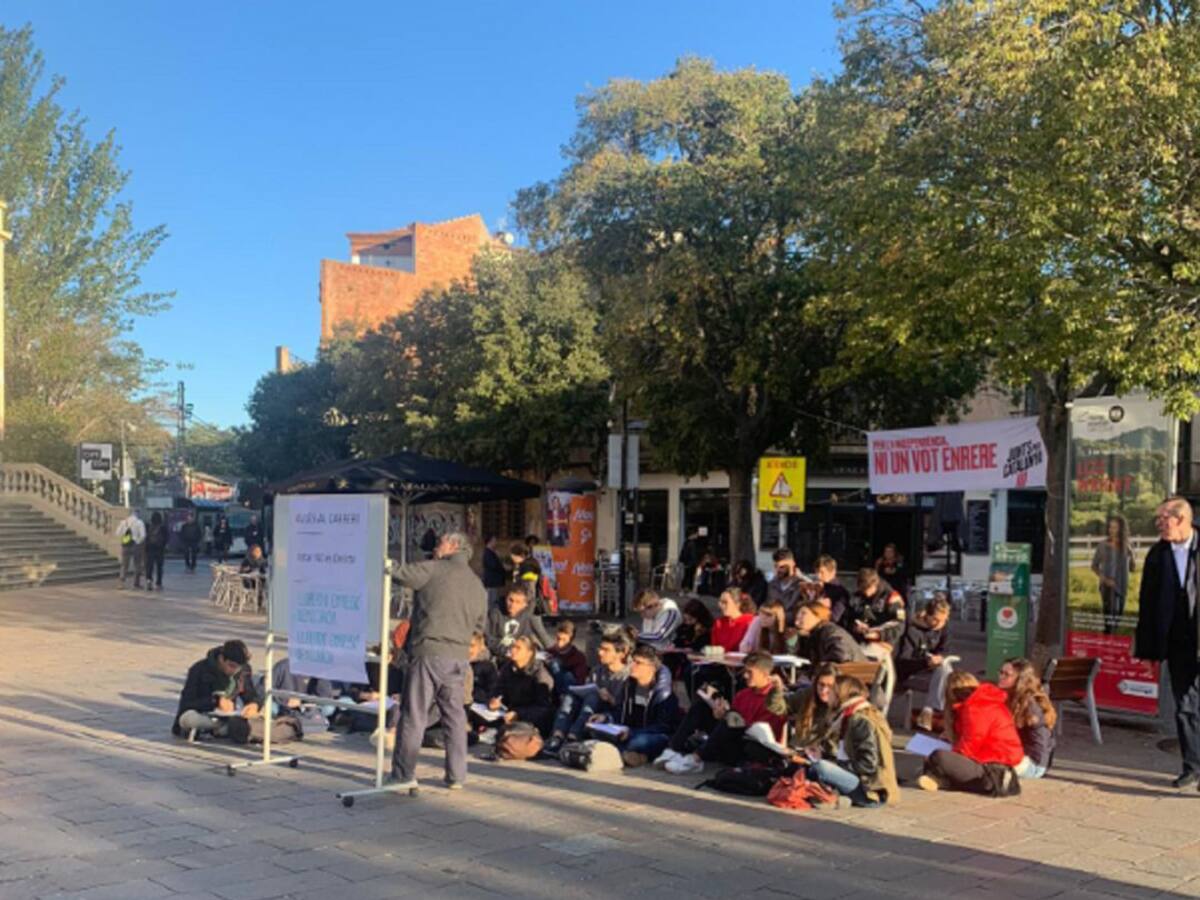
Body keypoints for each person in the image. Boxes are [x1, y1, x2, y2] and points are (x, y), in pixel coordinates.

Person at [389, 531, 487, 791]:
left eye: (441, 542)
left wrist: (383, 560)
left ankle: (403, 773)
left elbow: (400, 573)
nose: (436, 546)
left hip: (429, 652)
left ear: (453, 545)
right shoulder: (477, 585)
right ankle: (456, 776)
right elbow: (479, 626)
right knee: (454, 717)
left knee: (414, 714)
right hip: (458, 659)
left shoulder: (433, 569)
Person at [1136, 497, 1200, 790]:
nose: (1159, 524)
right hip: (1178, 643)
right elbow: (1147, 604)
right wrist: (1148, 650)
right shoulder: (1157, 555)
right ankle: (1192, 767)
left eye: (1164, 518)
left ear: (1182, 519)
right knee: (1185, 705)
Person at [658, 650, 786, 774]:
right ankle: (673, 748)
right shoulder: (743, 694)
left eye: (750, 672)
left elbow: (764, 734)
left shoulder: (775, 699)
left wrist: (729, 719)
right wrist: (721, 715)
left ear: (764, 674)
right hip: (731, 738)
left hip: (750, 748)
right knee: (701, 707)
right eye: (745, 671)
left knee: (732, 721)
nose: (745, 676)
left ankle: (696, 759)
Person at [917, 671, 1023, 795]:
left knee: (939, 756)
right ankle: (938, 778)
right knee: (938, 757)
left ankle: (938, 778)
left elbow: (970, 745)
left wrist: (946, 753)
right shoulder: (980, 703)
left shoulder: (976, 709)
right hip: (992, 764)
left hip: (992, 771)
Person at [806, 675, 900, 807]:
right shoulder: (847, 715)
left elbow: (867, 765)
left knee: (820, 768)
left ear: (840, 694)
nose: (827, 693)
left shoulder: (859, 720)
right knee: (809, 766)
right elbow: (846, 753)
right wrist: (824, 754)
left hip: (870, 790)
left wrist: (836, 765)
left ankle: (838, 797)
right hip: (860, 781)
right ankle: (837, 797)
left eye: (831, 690)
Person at [592, 644, 679, 767]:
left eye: (638, 663)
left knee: (638, 742)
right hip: (630, 731)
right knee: (595, 729)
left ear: (652, 667)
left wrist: (632, 732)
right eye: (632, 661)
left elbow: (663, 726)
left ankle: (622, 754)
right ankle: (632, 756)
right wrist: (606, 717)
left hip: (655, 735)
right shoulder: (629, 685)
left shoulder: (664, 693)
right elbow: (621, 712)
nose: (632, 666)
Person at [545, 631, 631, 754]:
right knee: (571, 697)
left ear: (621, 654)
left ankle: (573, 737)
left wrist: (610, 698)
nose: (600, 653)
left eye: (606, 650)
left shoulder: (627, 676)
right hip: (589, 708)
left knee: (593, 697)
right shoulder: (597, 670)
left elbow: (624, 709)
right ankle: (557, 736)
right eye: (600, 648)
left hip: (608, 715)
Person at [172, 639, 260, 737]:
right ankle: (217, 728)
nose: (234, 671)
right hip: (201, 715)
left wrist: (254, 704)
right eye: (231, 666)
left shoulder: (242, 671)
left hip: (227, 718)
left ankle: (223, 728)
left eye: (238, 667)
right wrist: (216, 701)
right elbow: (186, 703)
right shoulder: (199, 669)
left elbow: (250, 694)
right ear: (221, 659)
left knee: (245, 724)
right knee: (190, 719)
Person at [479, 635, 555, 739]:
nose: (513, 650)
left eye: (518, 648)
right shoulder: (508, 667)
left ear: (529, 653)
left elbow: (544, 709)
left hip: (530, 720)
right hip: (508, 713)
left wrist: (518, 714)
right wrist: (493, 700)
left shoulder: (540, 675)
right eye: (512, 647)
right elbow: (497, 689)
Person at [895, 595, 953, 731]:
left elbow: (945, 649)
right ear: (927, 616)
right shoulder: (911, 630)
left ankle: (929, 711)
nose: (940, 624)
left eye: (944, 620)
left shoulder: (943, 626)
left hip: (933, 672)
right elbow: (903, 663)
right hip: (912, 673)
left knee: (946, 669)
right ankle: (934, 712)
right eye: (936, 620)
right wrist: (926, 663)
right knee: (947, 678)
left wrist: (940, 657)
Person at [767, 662, 841, 761]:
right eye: (821, 684)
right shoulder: (807, 695)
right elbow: (779, 708)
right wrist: (776, 689)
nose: (824, 690)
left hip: (823, 759)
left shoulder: (841, 706)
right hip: (797, 751)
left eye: (830, 686)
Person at [998, 657, 1056, 780]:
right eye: (1001, 672)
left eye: (1007, 674)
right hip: (1025, 758)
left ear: (1020, 679)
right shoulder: (1014, 698)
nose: (1001, 677)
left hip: (1033, 764)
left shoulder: (1028, 704)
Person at [1093, 514, 1136, 635]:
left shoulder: (1127, 545)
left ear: (1121, 529)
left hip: (1122, 585)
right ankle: (1107, 639)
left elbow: (1132, 568)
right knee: (1110, 618)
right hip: (1107, 586)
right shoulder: (1102, 546)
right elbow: (1094, 566)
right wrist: (1105, 580)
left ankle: (1110, 637)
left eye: (1115, 527)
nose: (1112, 530)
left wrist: (1131, 553)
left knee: (1118, 617)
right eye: (1110, 527)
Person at [844, 568, 906, 647]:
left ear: (875, 584)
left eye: (867, 589)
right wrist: (855, 626)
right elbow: (849, 617)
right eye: (862, 589)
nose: (865, 593)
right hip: (860, 639)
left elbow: (900, 624)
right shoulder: (858, 596)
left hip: (884, 641)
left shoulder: (892, 597)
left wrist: (879, 634)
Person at [485, 584, 553, 657]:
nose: (512, 605)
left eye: (518, 602)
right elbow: (489, 639)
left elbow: (539, 634)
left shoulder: (528, 615)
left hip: (520, 653)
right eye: (510, 600)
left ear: (525, 604)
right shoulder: (495, 613)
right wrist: (508, 651)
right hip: (499, 654)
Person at [793, 601, 868, 667]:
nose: (797, 622)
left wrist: (821, 667)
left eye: (803, 614)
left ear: (818, 615)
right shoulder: (810, 637)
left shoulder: (830, 631)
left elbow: (841, 655)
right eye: (796, 617)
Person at [544, 619, 589, 693]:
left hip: (571, 690)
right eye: (558, 639)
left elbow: (580, 681)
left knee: (567, 675)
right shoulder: (550, 652)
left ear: (571, 640)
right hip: (552, 689)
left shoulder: (579, 657)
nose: (560, 643)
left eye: (564, 640)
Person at [814, 555, 850, 625]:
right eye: (816, 572)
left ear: (832, 572)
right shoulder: (819, 587)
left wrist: (818, 605)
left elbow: (835, 618)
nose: (818, 576)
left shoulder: (840, 592)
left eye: (822, 572)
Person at [116, 509, 146, 589]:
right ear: (137, 514)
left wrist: (124, 537)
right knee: (137, 564)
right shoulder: (139, 522)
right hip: (135, 545)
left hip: (125, 545)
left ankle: (121, 583)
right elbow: (143, 535)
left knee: (124, 565)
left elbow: (117, 533)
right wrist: (138, 541)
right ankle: (136, 583)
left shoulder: (124, 522)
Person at [143, 511, 169, 592]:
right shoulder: (163, 527)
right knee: (159, 567)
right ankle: (158, 583)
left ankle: (149, 581)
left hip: (150, 550)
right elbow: (166, 538)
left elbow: (145, 537)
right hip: (160, 550)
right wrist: (163, 546)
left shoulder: (148, 526)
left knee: (149, 566)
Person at [481, 535, 507, 610]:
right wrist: (503, 567)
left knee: (494, 600)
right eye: (494, 541)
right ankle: (490, 615)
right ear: (490, 542)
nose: (496, 542)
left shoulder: (492, 552)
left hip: (494, 581)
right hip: (491, 581)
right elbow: (493, 565)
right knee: (491, 601)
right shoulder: (488, 553)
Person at [239, 544, 269, 609]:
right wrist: (248, 570)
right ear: (252, 552)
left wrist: (262, 571)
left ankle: (259, 603)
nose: (258, 553)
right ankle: (258, 603)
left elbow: (264, 570)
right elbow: (241, 571)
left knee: (261, 586)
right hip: (249, 581)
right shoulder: (247, 560)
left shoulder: (262, 560)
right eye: (256, 551)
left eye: (259, 551)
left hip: (259, 579)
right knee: (259, 587)